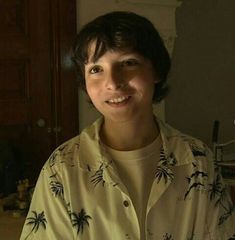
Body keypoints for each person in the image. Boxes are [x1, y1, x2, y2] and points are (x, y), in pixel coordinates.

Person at [20, 11, 235, 240]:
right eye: (96, 69)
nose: (112, 82)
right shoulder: (62, 168)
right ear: (84, 82)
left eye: (128, 63)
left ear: (156, 71)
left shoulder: (198, 161)